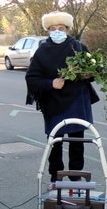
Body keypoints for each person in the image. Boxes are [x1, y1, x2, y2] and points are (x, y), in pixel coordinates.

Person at [25, 11, 96, 183]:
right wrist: (51, 84)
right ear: (48, 30)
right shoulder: (42, 51)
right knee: (55, 142)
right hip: (53, 103)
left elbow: (93, 70)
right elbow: (31, 78)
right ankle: (55, 178)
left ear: (68, 29)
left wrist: (89, 74)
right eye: (53, 28)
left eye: (61, 28)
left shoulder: (78, 47)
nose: (57, 31)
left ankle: (75, 177)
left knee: (77, 142)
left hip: (77, 101)